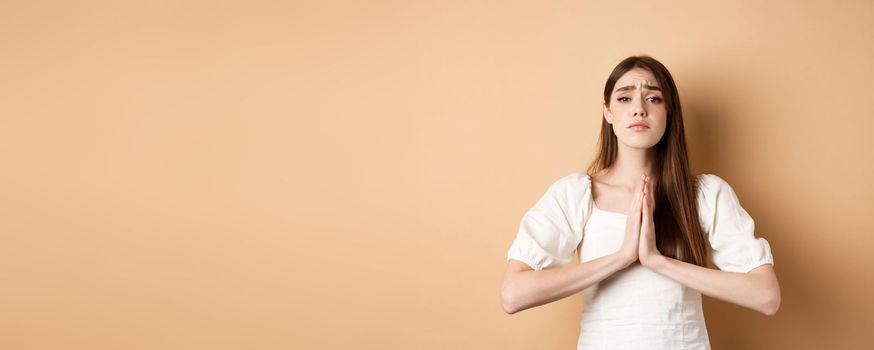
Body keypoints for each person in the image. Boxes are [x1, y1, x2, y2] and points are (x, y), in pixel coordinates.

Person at [500, 55, 781, 349]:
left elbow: (766, 296)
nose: (639, 109)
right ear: (607, 111)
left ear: (669, 112)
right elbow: (513, 294)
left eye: (654, 99)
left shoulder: (705, 194)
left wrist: (657, 261)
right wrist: (620, 257)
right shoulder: (575, 194)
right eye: (624, 98)